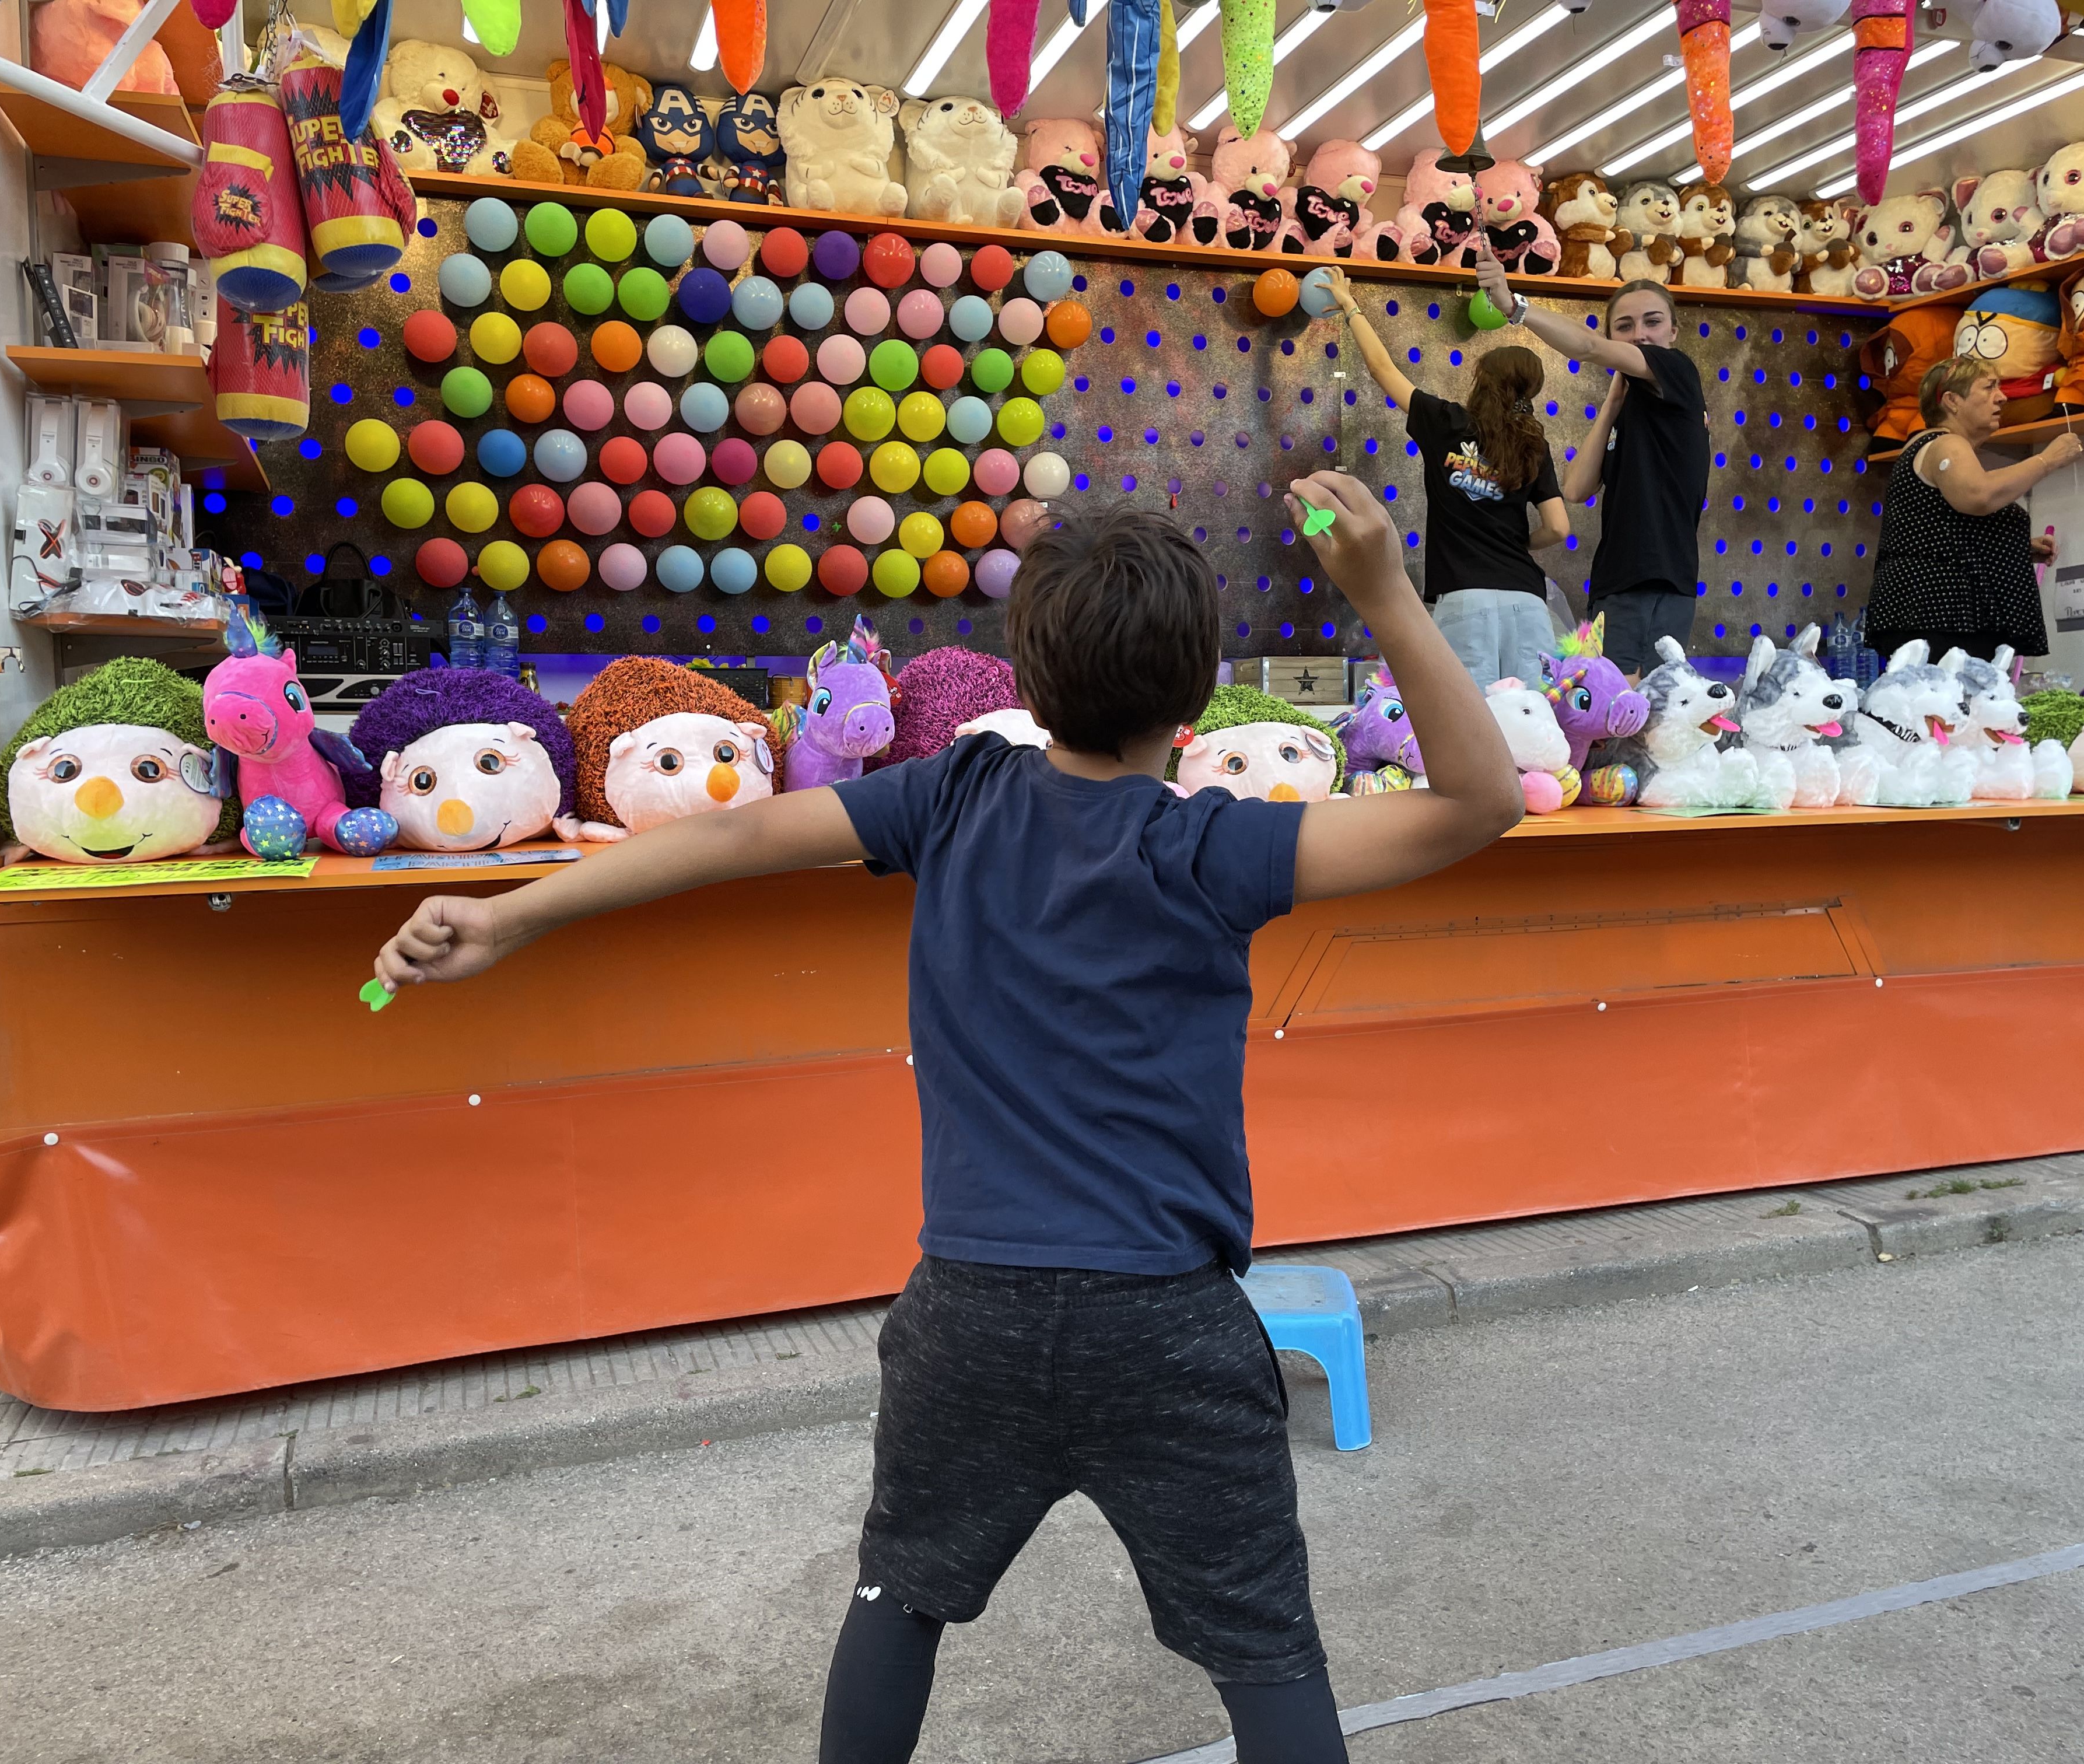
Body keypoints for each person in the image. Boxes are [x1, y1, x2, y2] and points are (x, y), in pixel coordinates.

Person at [371, 481, 1524, 1764]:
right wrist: (1382, 596)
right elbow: (1480, 802)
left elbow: (737, 834)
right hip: (1169, 1325)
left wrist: (512, 913)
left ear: (1024, 668)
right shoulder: (1217, 844)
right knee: (1264, 1654)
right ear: (1195, 701)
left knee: (898, 1599)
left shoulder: (958, 795)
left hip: (968, 1313)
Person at [1321, 265, 1572, 687]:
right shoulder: (1534, 445)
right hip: (1527, 599)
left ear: (1481, 382)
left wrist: (1350, 306)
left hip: (1462, 597)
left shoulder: (1446, 422)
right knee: (1536, 722)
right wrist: (1518, 545)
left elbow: (1383, 369)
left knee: (1472, 723)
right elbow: (1559, 528)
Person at [1475, 257, 1708, 680]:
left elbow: (1586, 347)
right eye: (1625, 326)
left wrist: (1513, 306)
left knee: (1634, 715)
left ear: (1673, 331)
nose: (1640, 334)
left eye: (1653, 322)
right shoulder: (1630, 403)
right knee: (1608, 714)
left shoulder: (1679, 372)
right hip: (1615, 583)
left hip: (1654, 579)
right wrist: (1611, 405)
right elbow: (1577, 488)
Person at [1865, 355, 2078, 664]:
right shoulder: (1945, 445)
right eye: (1988, 388)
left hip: (1938, 616)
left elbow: (1942, 529)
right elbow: (1978, 496)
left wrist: (2012, 547)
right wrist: (2048, 460)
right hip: (1938, 616)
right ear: (1952, 401)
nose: (2002, 397)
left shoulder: (1938, 447)